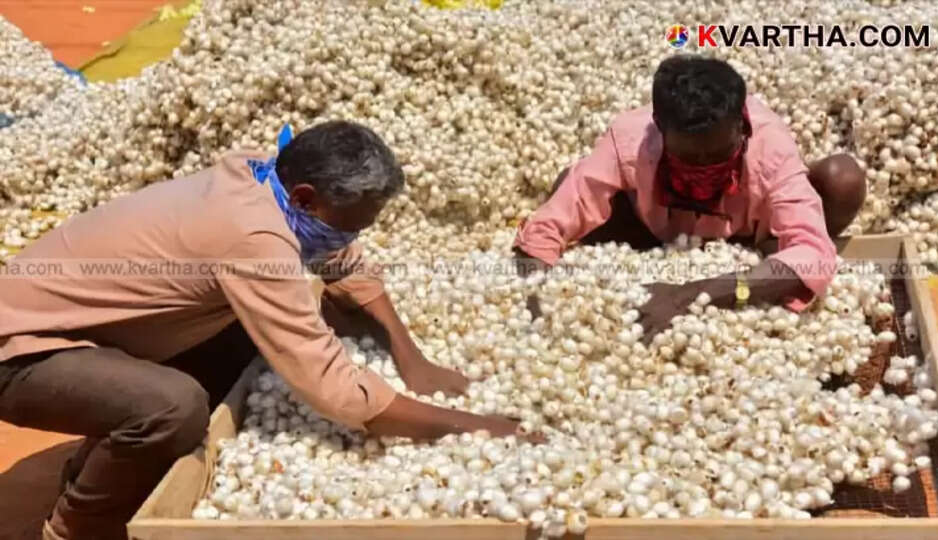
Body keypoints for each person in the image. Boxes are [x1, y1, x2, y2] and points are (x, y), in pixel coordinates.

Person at [0, 121, 529, 540]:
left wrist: (410, 357)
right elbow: (333, 389)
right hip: (19, 349)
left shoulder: (264, 176)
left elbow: (344, 260)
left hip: (78, 327)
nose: (350, 237)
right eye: (350, 222)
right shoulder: (252, 237)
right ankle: (74, 530)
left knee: (242, 342)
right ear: (303, 198)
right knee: (173, 406)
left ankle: (99, 467)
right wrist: (471, 426)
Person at [514, 54, 866, 339]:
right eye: (689, 159)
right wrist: (541, 306)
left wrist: (692, 294)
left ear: (742, 127)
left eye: (719, 155)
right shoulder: (632, 139)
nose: (704, 167)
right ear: (661, 130)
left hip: (750, 239)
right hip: (655, 236)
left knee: (842, 180)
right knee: (569, 183)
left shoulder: (770, 150)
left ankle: (760, 278)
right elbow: (544, 230)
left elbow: (813, 255)